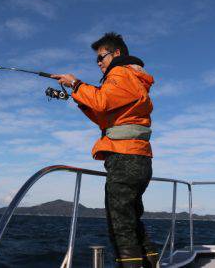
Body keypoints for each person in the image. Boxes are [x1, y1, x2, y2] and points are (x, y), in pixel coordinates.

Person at [52, 32, 158, 268]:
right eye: (96, 60)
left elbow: (102, 101)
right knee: (131, 221)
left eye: (101, 57)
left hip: (125, 158)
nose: (98, 63)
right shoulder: (133, 78)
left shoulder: (121, 73)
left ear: (117, 53)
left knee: (119, 225)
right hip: (137, 159)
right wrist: (78, 95)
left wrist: (75, 84)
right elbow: (103, 115)